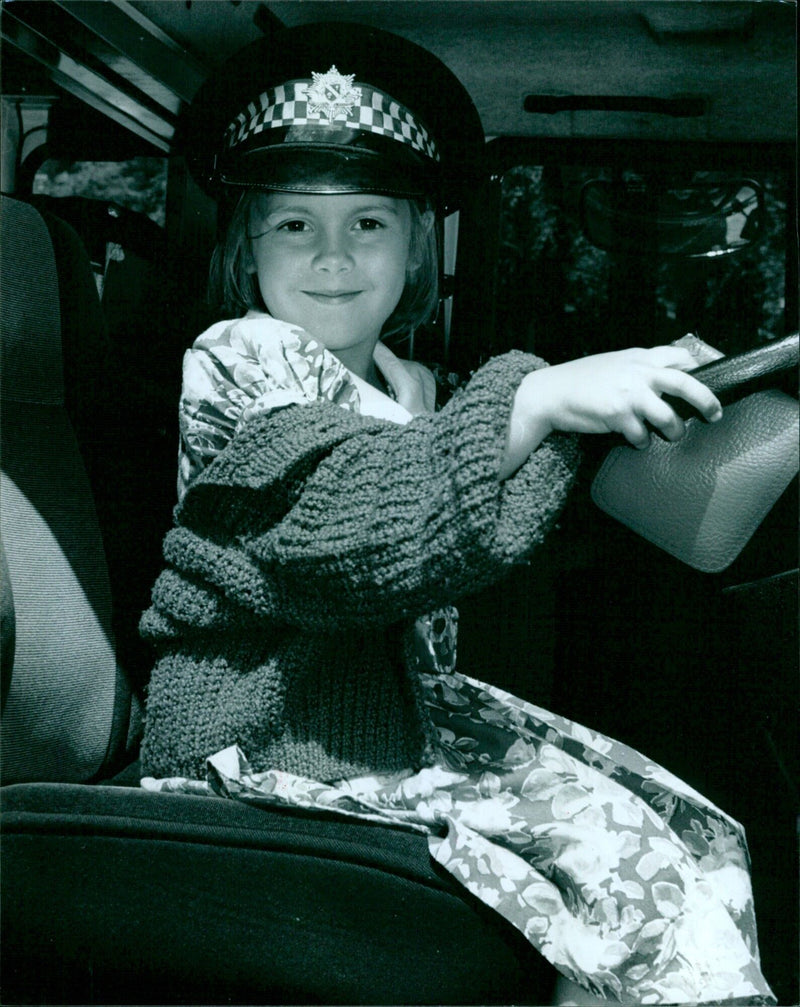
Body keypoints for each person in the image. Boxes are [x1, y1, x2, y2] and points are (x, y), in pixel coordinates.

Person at [139, 22, 775, 1006]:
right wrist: (536, 401)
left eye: (369, 224)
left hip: (392, 718)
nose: (334, 256)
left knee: (689, 829)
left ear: (416, 242)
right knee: (631, 875)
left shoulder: (405, 382)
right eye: (293, 224)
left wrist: (610, 415)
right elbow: (344, 524)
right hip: (258, 738)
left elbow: (452, 506)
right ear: (245, 244)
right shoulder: (240, 356)